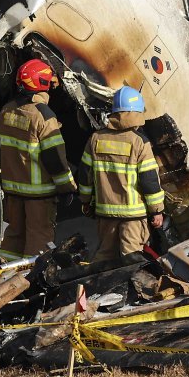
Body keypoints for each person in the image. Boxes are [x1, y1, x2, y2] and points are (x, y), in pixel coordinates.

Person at [0, 59, 77, 260]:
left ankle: (6, 276)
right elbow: (55, 158)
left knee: (12, 238)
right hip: (38, 194)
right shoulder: (43, 116)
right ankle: (32, 282)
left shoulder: (6, 110)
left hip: (12, 191)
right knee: (39, 240)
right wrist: (67, 187)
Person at [79, 86, 165, 262]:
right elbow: (149, 180)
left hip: (104, 213)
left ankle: (98, 289)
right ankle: (127, 290)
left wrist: (86, 202)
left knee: (103, 257)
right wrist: (157, 210)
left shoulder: (95, 138)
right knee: (131, 260)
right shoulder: (140, 142)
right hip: (133, 217)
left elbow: (84, 175)